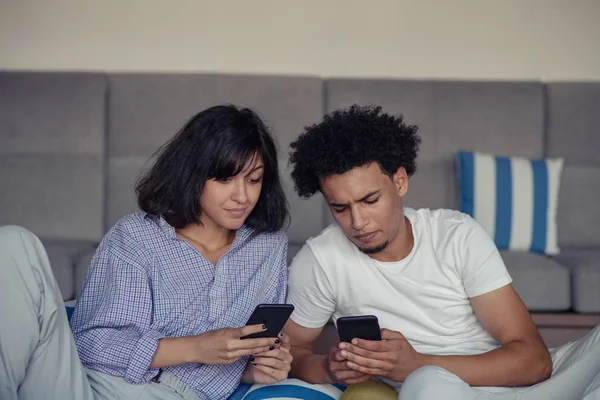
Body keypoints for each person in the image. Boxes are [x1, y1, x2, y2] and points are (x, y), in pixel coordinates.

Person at [283, 104, 600, 399]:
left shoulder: (456, 235)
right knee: (427, 384)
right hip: (435, 393)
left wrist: (417, 362)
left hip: (520, 389)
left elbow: (535, 360)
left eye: (370, 200)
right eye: (340, 208)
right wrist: (326, 367)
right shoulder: (321, 259)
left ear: (401, 181)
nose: (358, 222)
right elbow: (292, 351)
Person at [0, 105, 292, 400]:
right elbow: (88, 345)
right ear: (193, 175)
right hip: (88, 386)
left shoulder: (268, 246)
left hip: (179, 396)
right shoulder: (136, 237)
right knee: (13, 242)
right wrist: (196, 347)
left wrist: (258, 369)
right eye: (225, 179)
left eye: (253, 180)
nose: (242, 196)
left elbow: (247, 350)